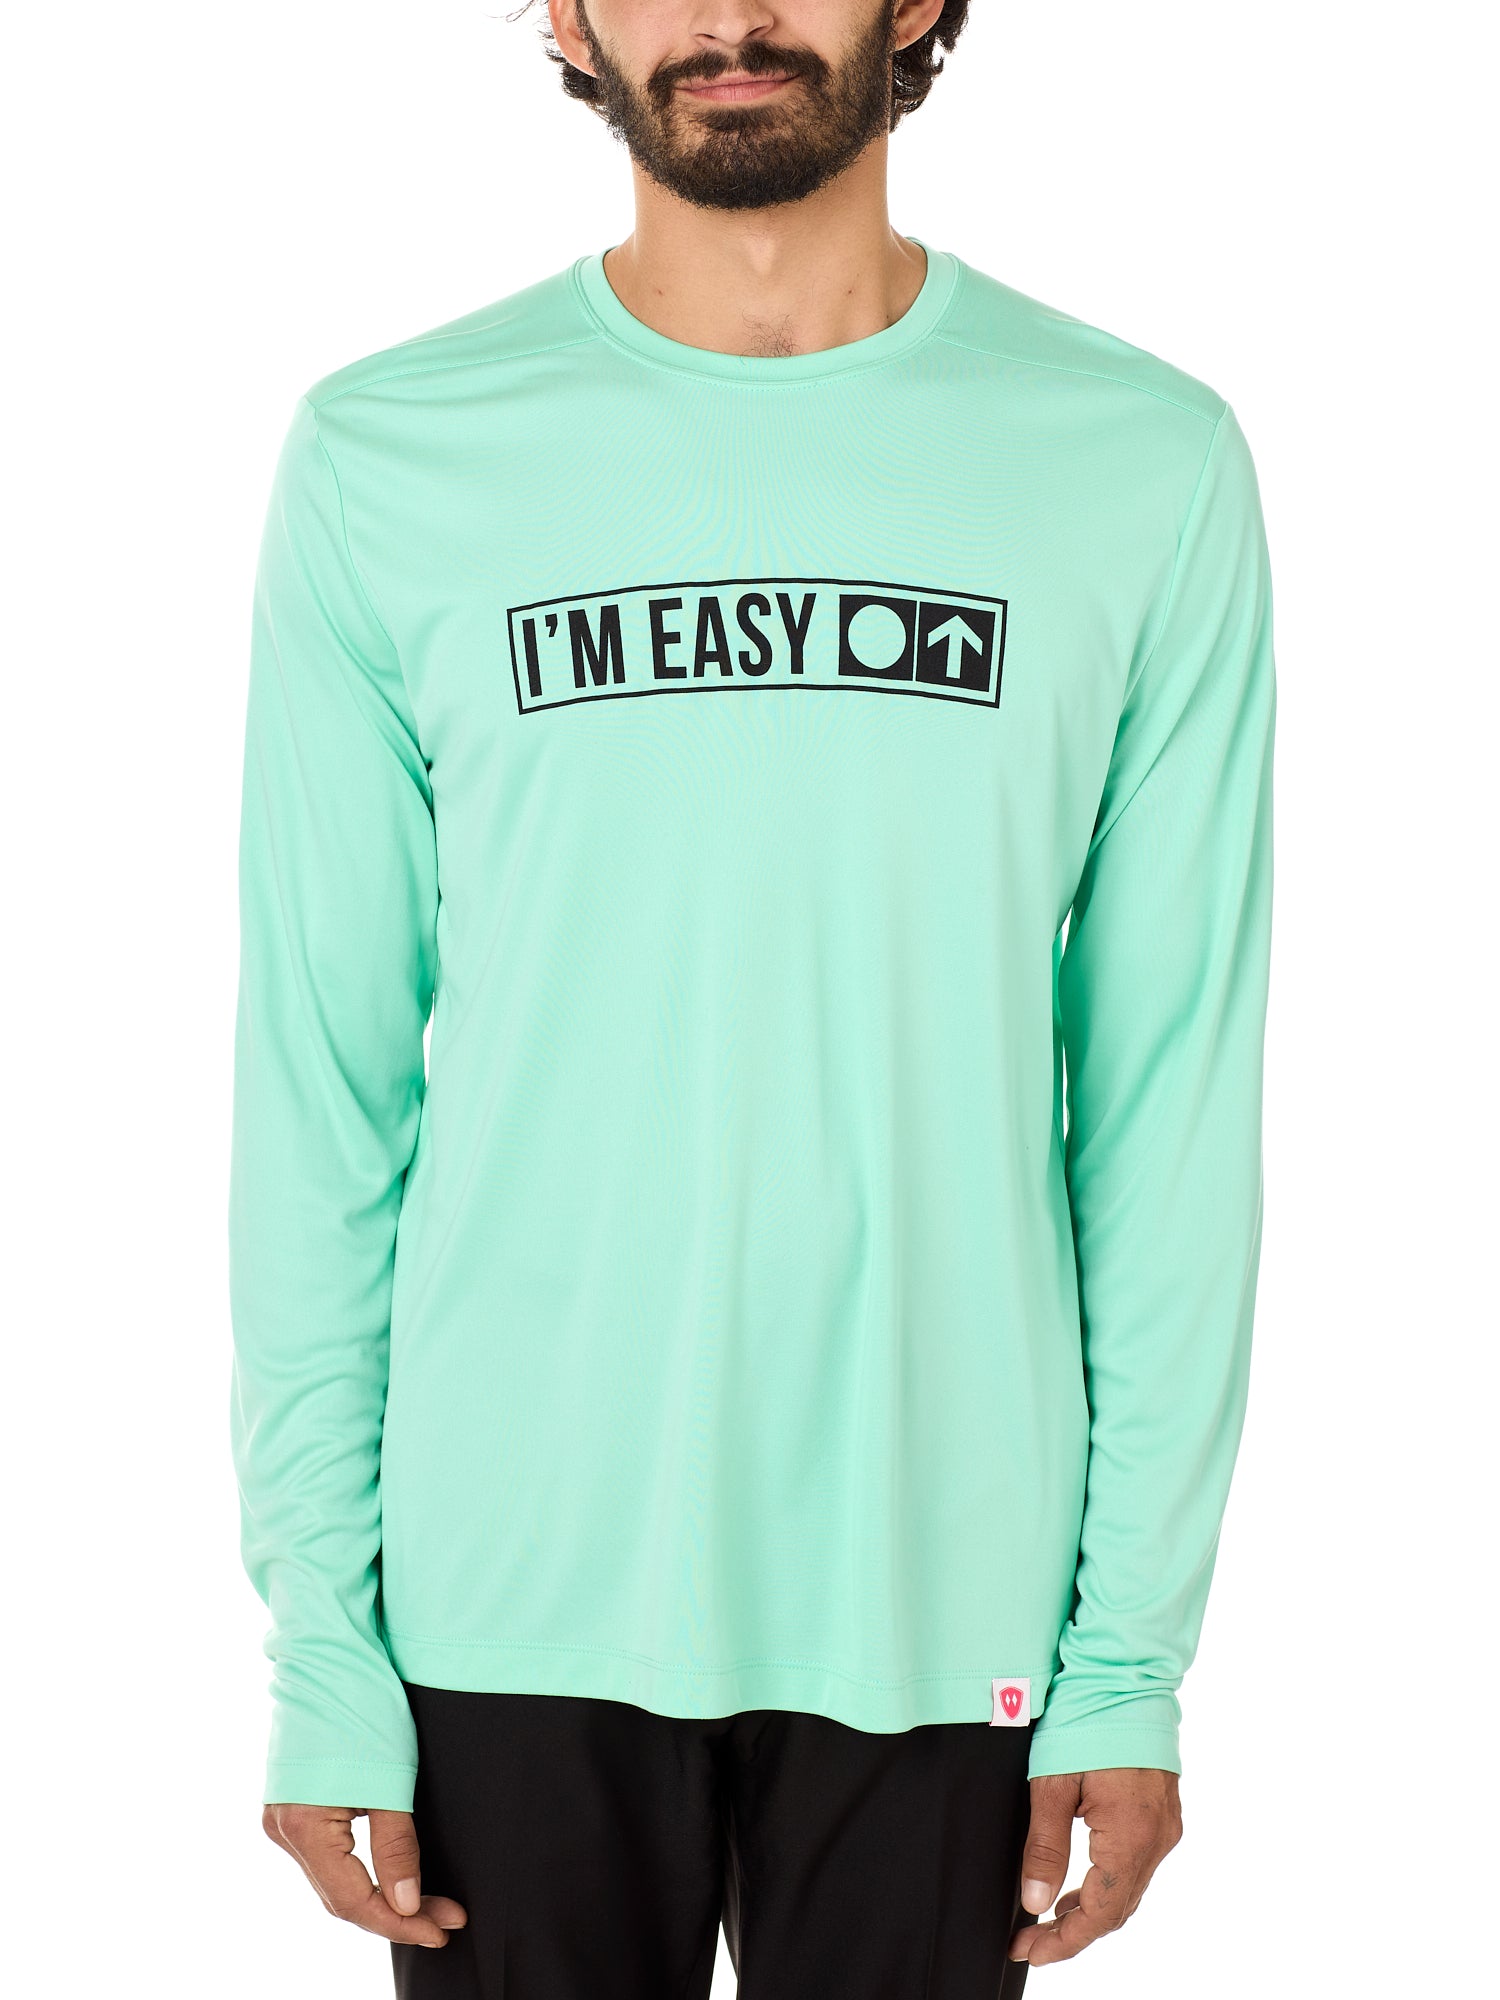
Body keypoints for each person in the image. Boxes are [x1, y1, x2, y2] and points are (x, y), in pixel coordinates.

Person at [227, 3, 1276, 1993]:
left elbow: (1169, 1106)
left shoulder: (1141, 463)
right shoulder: (388, 452)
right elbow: (320, 1091)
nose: (727, 13)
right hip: (504, 1590)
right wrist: (324, 1648)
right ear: (566, 10)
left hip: (947, 1583)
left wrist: (1128, 1655)